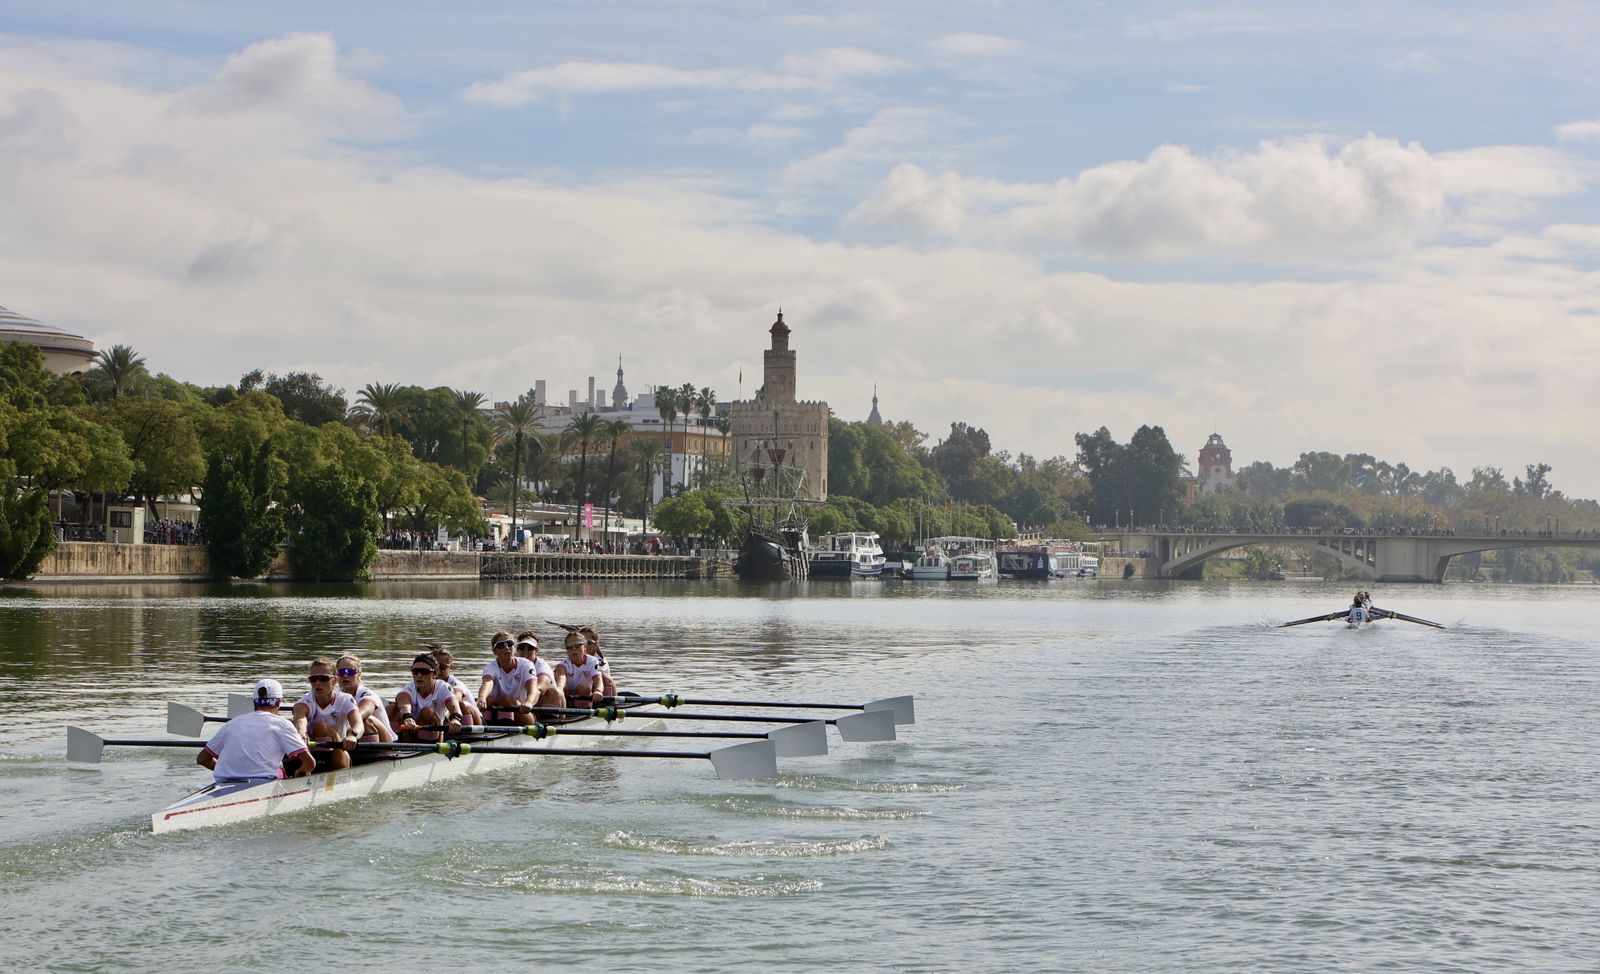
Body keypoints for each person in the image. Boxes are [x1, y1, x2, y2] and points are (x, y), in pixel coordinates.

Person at [197, 679, 315, 782]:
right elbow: (310, 763)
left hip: (223, 780)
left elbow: (202, 759)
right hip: (263, 782)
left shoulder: (231, 723)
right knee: (282, 770)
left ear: (254, 702)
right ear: (279, 703)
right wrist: (299, 775)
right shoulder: (283, 724)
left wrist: (225, 770)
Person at [292, 658, 362, 770]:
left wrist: (353, 735)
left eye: (323, 678)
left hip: (339, 753)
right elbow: (300, 719)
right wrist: (301, 732)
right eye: (313, 679)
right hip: (311, 757)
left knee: (322, 727)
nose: (317, 683)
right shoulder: (304, 702)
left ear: (334, 681)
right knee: (320, 727)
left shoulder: (345, 700)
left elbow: (358, 723)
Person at [393, 652, 465, 741]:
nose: (419, 675)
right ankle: (397, 745)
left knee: (427, 711)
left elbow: (454, 706)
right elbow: (404, 703)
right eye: (415, 671)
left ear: (434, 674)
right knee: (391, 708)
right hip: (412, 731)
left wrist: (455, 718)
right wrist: (407, 716)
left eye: (424, 672)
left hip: (435, 735)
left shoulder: (443, 687)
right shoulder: (409, 688)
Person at [477, 631, 539, 725]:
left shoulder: (526, 665)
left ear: (514, 647)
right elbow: (487, 683)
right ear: (494, 651)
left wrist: (529, 702)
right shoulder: (490, 667)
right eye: (501, 645)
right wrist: (482, 698)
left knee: (506, 699)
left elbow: (533, 689)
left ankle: (502, 729)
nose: (507, 648)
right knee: (488, 700)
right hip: (498, 711)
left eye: (510, 644)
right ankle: (491, 729)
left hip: (523, 713)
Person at [335, 653, 394, 743]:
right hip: (352, 737)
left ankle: (376, 756)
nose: (346, 676)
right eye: (342, 672)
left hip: (387, 742)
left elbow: (360, 714)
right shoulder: (337, 696)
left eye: (350, 672)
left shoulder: (367, 694)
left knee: (366, 720)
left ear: (359, 675)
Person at [430, 646, 485, 726]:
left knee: (461, 704)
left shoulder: (456, 683)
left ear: (451, 667)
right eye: (435, 667)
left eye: (442, 667)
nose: (438, 671)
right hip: (452, 718)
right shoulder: (429, 684)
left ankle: (467, 736)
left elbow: (456, 699)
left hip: (477, 721)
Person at [552, 629, 605, 707]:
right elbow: (561, 679)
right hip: (566, 698)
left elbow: (598, 679)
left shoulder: (592, 661)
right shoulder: (562, 665)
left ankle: (579, 710)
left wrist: (598, 691)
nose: (574, 649)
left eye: (577, 645)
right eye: (570, 647)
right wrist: (559, 688)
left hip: (583, 696)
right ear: (566, 650)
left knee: (583, 687)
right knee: (564, 688)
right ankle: (565, 711)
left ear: (585, 646)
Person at [578, 625, 617, 700]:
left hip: (597, 688)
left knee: (604, 677)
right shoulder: (573, 655)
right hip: (579, 689)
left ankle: (611, 703)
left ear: (595, 644)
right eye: (582, 643)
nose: (585, 646)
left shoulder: (600, 660)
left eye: (589, 642)